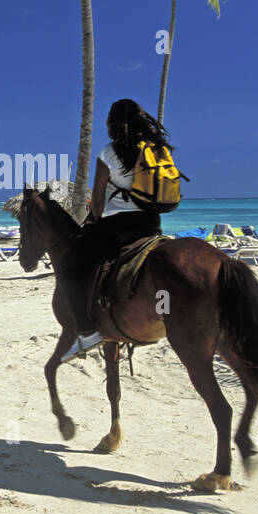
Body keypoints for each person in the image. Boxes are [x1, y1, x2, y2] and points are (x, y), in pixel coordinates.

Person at [58, 99, 168, 362]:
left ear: (113, 123)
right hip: (152, 223)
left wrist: (95, 219)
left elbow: (96, 200)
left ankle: (87, 330)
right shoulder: (157, 149)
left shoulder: (109, 152)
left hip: (119, 226)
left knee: (69, 265)